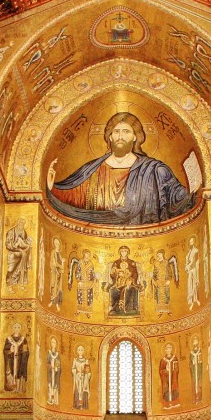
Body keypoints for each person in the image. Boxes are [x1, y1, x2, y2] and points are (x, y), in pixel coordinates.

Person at [46, 112, 197, 225]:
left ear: (135, 137)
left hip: (144, 240)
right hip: (99, 237)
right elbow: (73, 196)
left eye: (126, 132)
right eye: (116, 132)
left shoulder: (155, 170)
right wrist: (52, 187)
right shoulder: (92, 169)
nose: (120, 136)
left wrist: (196, 191)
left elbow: (178, 200)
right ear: (110, 137)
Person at [106, 246, 141, 316]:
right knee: (113, 290)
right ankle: (115, 309)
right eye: (122, 251)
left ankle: (130, 309)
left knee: (129, 289)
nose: (123, 253)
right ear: (120, 252)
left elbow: (135, 273)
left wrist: (131, 281)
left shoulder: (131, 262)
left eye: (125, 251)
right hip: (118, 283)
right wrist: (114, 273)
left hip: (129, 283)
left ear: (128, 252)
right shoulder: (116, 262)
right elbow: (112, 275)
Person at [69, 250, 97, 318]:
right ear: (84, 254)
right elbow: (77, 271)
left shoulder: (91, 264)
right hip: (81, 282)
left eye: (88, 254)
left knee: (88, 298)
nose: (87, 255)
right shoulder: (80, 262)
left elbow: (93, 273)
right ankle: (79, 311)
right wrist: (78, 279)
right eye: (86, 254)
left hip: (88, 283)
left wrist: (94, 280)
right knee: (80, 297)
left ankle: (87, 312)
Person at [5, 218, 32, 288]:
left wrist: (27, 243)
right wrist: (15, 246)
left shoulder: (24, 232)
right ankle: (8, 283)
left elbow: (25, 242)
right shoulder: (11, 232)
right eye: (20, 223)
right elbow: (8, 245)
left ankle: (17, 284)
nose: (22, 225)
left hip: (22, 255)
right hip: (13, 254)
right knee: (11, 270)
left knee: (20, 270)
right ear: (18, 223)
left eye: (23, 224)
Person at [3, 323, 29, 393]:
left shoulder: (23, 340)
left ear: (20, 329)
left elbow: (26, 351)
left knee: (19, 372)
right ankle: (11, 387)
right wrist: (10, 351)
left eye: (18, 327)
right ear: (13, 328)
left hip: (20, 360)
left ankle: (18, 388)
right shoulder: (8, 339)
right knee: (10, 372)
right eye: (15, 327)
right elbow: (5, 351)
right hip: (11, 360)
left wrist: (23, 353)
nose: (16, 329)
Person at [159, 343, 179, 409]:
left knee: (174, 389)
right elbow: (160, 371)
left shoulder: (174, 358)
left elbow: (177, 369)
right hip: (166, 379)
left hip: (173, 378)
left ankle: (174, 403)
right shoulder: (163, 360)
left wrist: (174, 370)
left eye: (169, 348)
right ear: (165, 350)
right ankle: (167, 404)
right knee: (166, 389)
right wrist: (166, 370)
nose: (168, 349)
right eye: (167, 348)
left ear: (172, 349)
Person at [72, 345, 91, 409]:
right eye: (79, 350)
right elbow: (73, 369)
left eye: (81, 350)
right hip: (77, 378)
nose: (80, 351)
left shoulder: (86, 360)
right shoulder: (75, 360)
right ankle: (77, 405)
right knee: (78, 390)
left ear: (83, 351)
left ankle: (83, 406)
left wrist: (86, 373)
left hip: (84, 378)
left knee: (83, 390)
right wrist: (76, 371)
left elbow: (88, 371)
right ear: (77, 351)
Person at [184, 236, 201, 307]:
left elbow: (195, 261)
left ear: (194, 242)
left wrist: (188, 266)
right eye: (190, 242)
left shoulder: (196, 250)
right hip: (189, 271)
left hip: (194, 270)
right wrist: (186, 266)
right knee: (189, 285)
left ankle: (195, 299)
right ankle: (190, 300)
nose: (191, 243)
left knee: (194, 284)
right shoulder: (189, 252)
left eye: (192, 242)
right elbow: (187, 261)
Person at [48, 237, 64, 310]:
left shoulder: (59, 254)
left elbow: (60, 264)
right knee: (53, 286)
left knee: (58, 288)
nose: (57, 244)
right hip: (54, 273)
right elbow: (52, 263)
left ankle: (57, 303)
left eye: (58, 243)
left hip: (59, 273)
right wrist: (58, 266)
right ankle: (52, 301)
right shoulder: (53, 252)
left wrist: (62, 263)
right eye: (55, 243)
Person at [46, 336, 62, 406]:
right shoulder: (49, 353)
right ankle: (50, 400)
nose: (53, 344)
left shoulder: (57, 355)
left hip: (55, 374)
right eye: (52, 342)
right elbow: (47, 363)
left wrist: (56, 368)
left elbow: (59, 366)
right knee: (50, 387)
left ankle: (55, 401)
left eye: (54, 342)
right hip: (50, 373)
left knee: (55, 387)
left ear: (56, 344)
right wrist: (50, 366)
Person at [189, 335, 204, 404]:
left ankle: (200, 398)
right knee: (194, 383)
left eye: (196, 341)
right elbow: (190, 362)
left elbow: (201, 360)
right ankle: (194, 398)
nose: (195, 342)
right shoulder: (191, 352)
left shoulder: (200, 350)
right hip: (194, 370)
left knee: (199, 383)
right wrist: (192, 363)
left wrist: (199, 361)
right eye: (194, 341)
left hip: (199, 370)